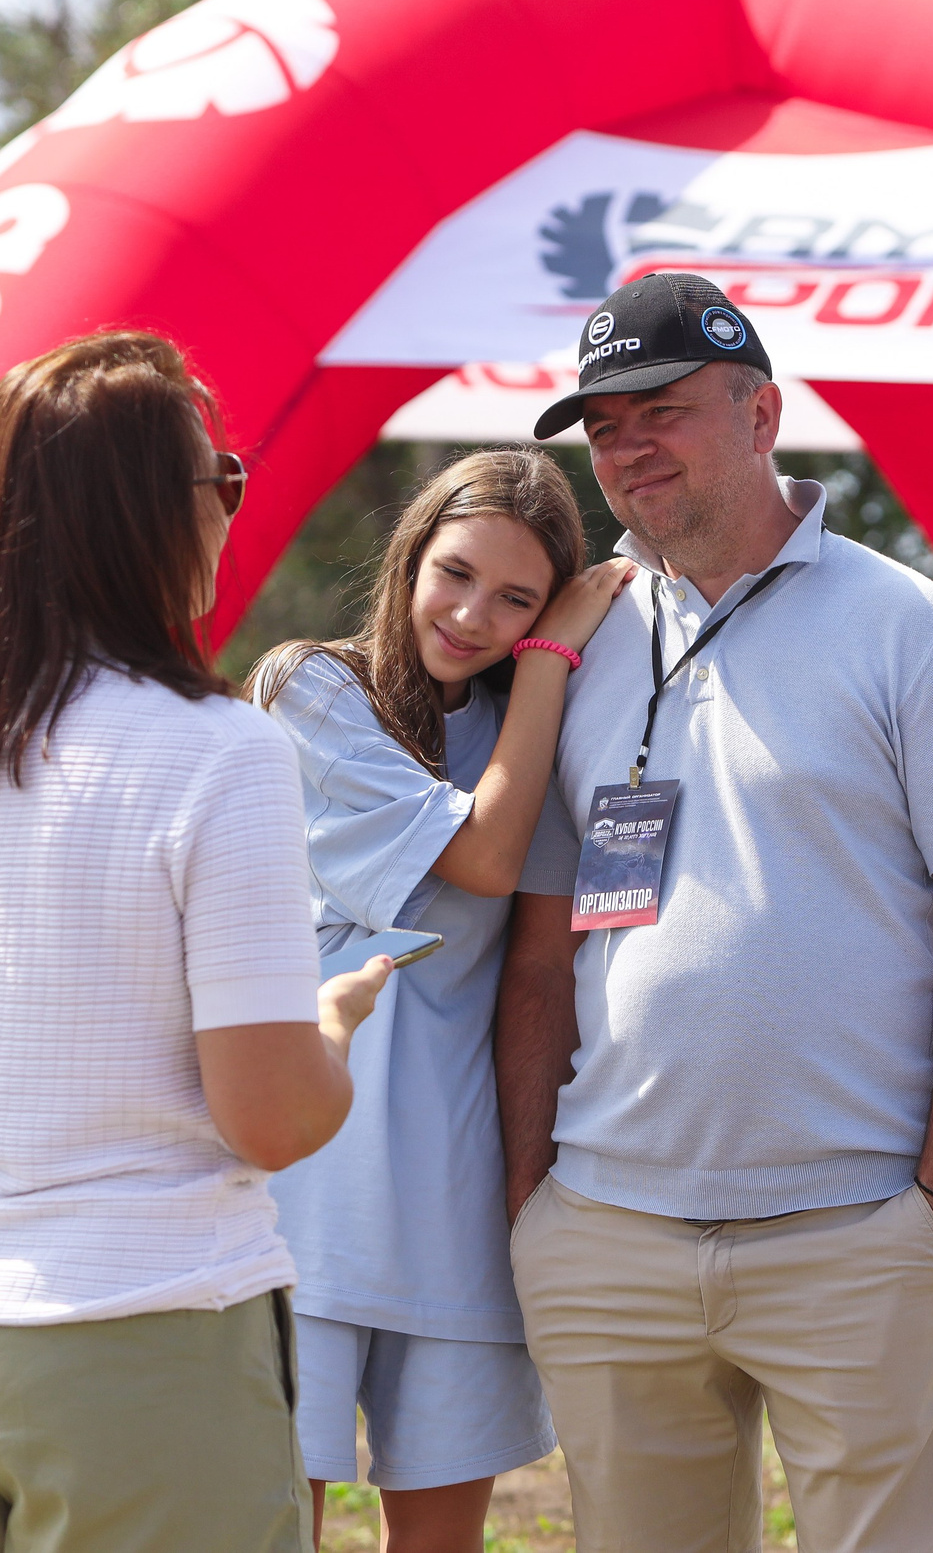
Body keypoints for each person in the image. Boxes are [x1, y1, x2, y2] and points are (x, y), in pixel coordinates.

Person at [0, 331, 385, 1553]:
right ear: (152, 514)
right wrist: (329, 1029)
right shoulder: (220, 754)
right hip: (145, 1334)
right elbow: (271, 1116)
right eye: (222, 477)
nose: (228, 505)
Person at [496, 272, 933, 1552]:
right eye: (604, 427)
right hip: (608, 1233)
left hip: (854, 1230)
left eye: (662, 413)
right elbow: (536, 953)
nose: (629, 450)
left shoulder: (910, 629)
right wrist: (536, 1202)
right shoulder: (578, 639)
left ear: (760, 415)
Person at [251, 449, 632, 1551]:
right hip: (300, 1191)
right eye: (454, 573)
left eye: (518, 599)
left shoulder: (537, 737)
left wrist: (529, 1185)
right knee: (275, 1522)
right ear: (410, 553)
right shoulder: (309, 688)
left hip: (456, 1198)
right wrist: (555, 655)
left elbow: (538, 963)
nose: (472, 615)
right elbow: (483, 857)